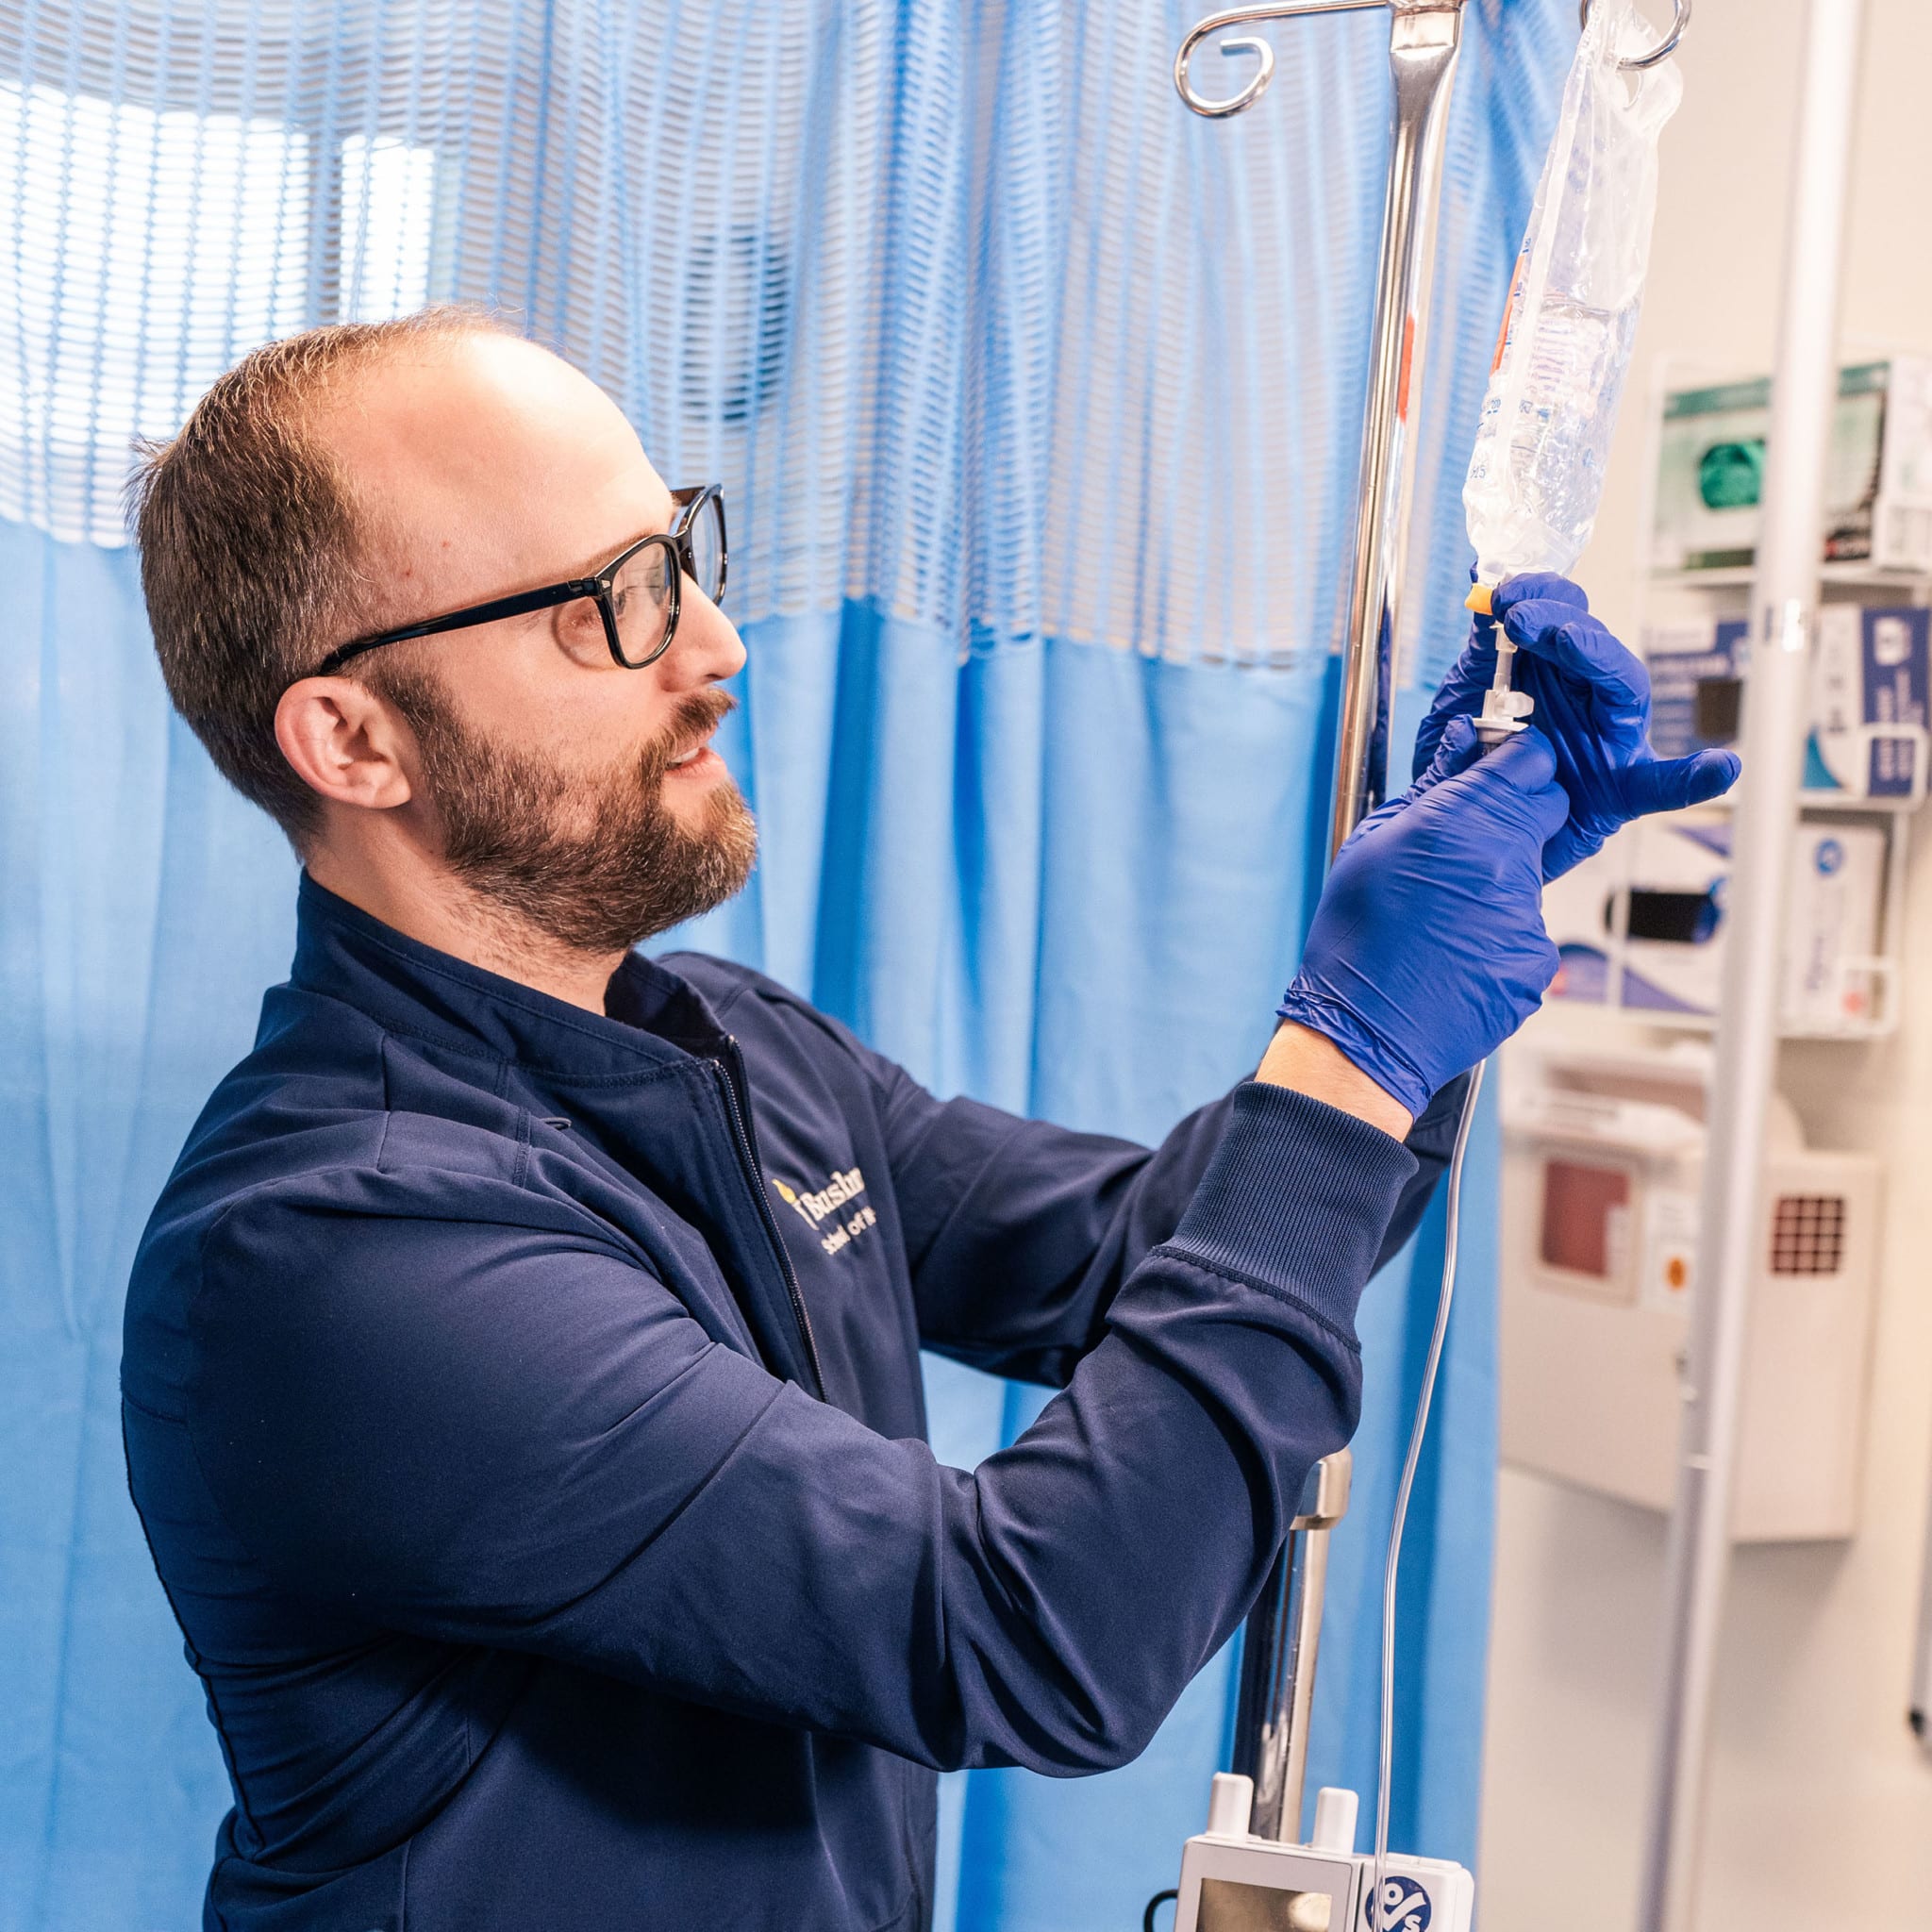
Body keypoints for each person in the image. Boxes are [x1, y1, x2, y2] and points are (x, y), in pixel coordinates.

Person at [120, 308, 1737, 1932]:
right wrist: (1355, 1044)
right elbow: (1033, 1629)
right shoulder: (337, 1249)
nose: (714, 644)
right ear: (352, 738)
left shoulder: (728, 1050)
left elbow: (1137, 1259)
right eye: (609, 607)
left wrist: (1435, 965)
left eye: (677, 552)